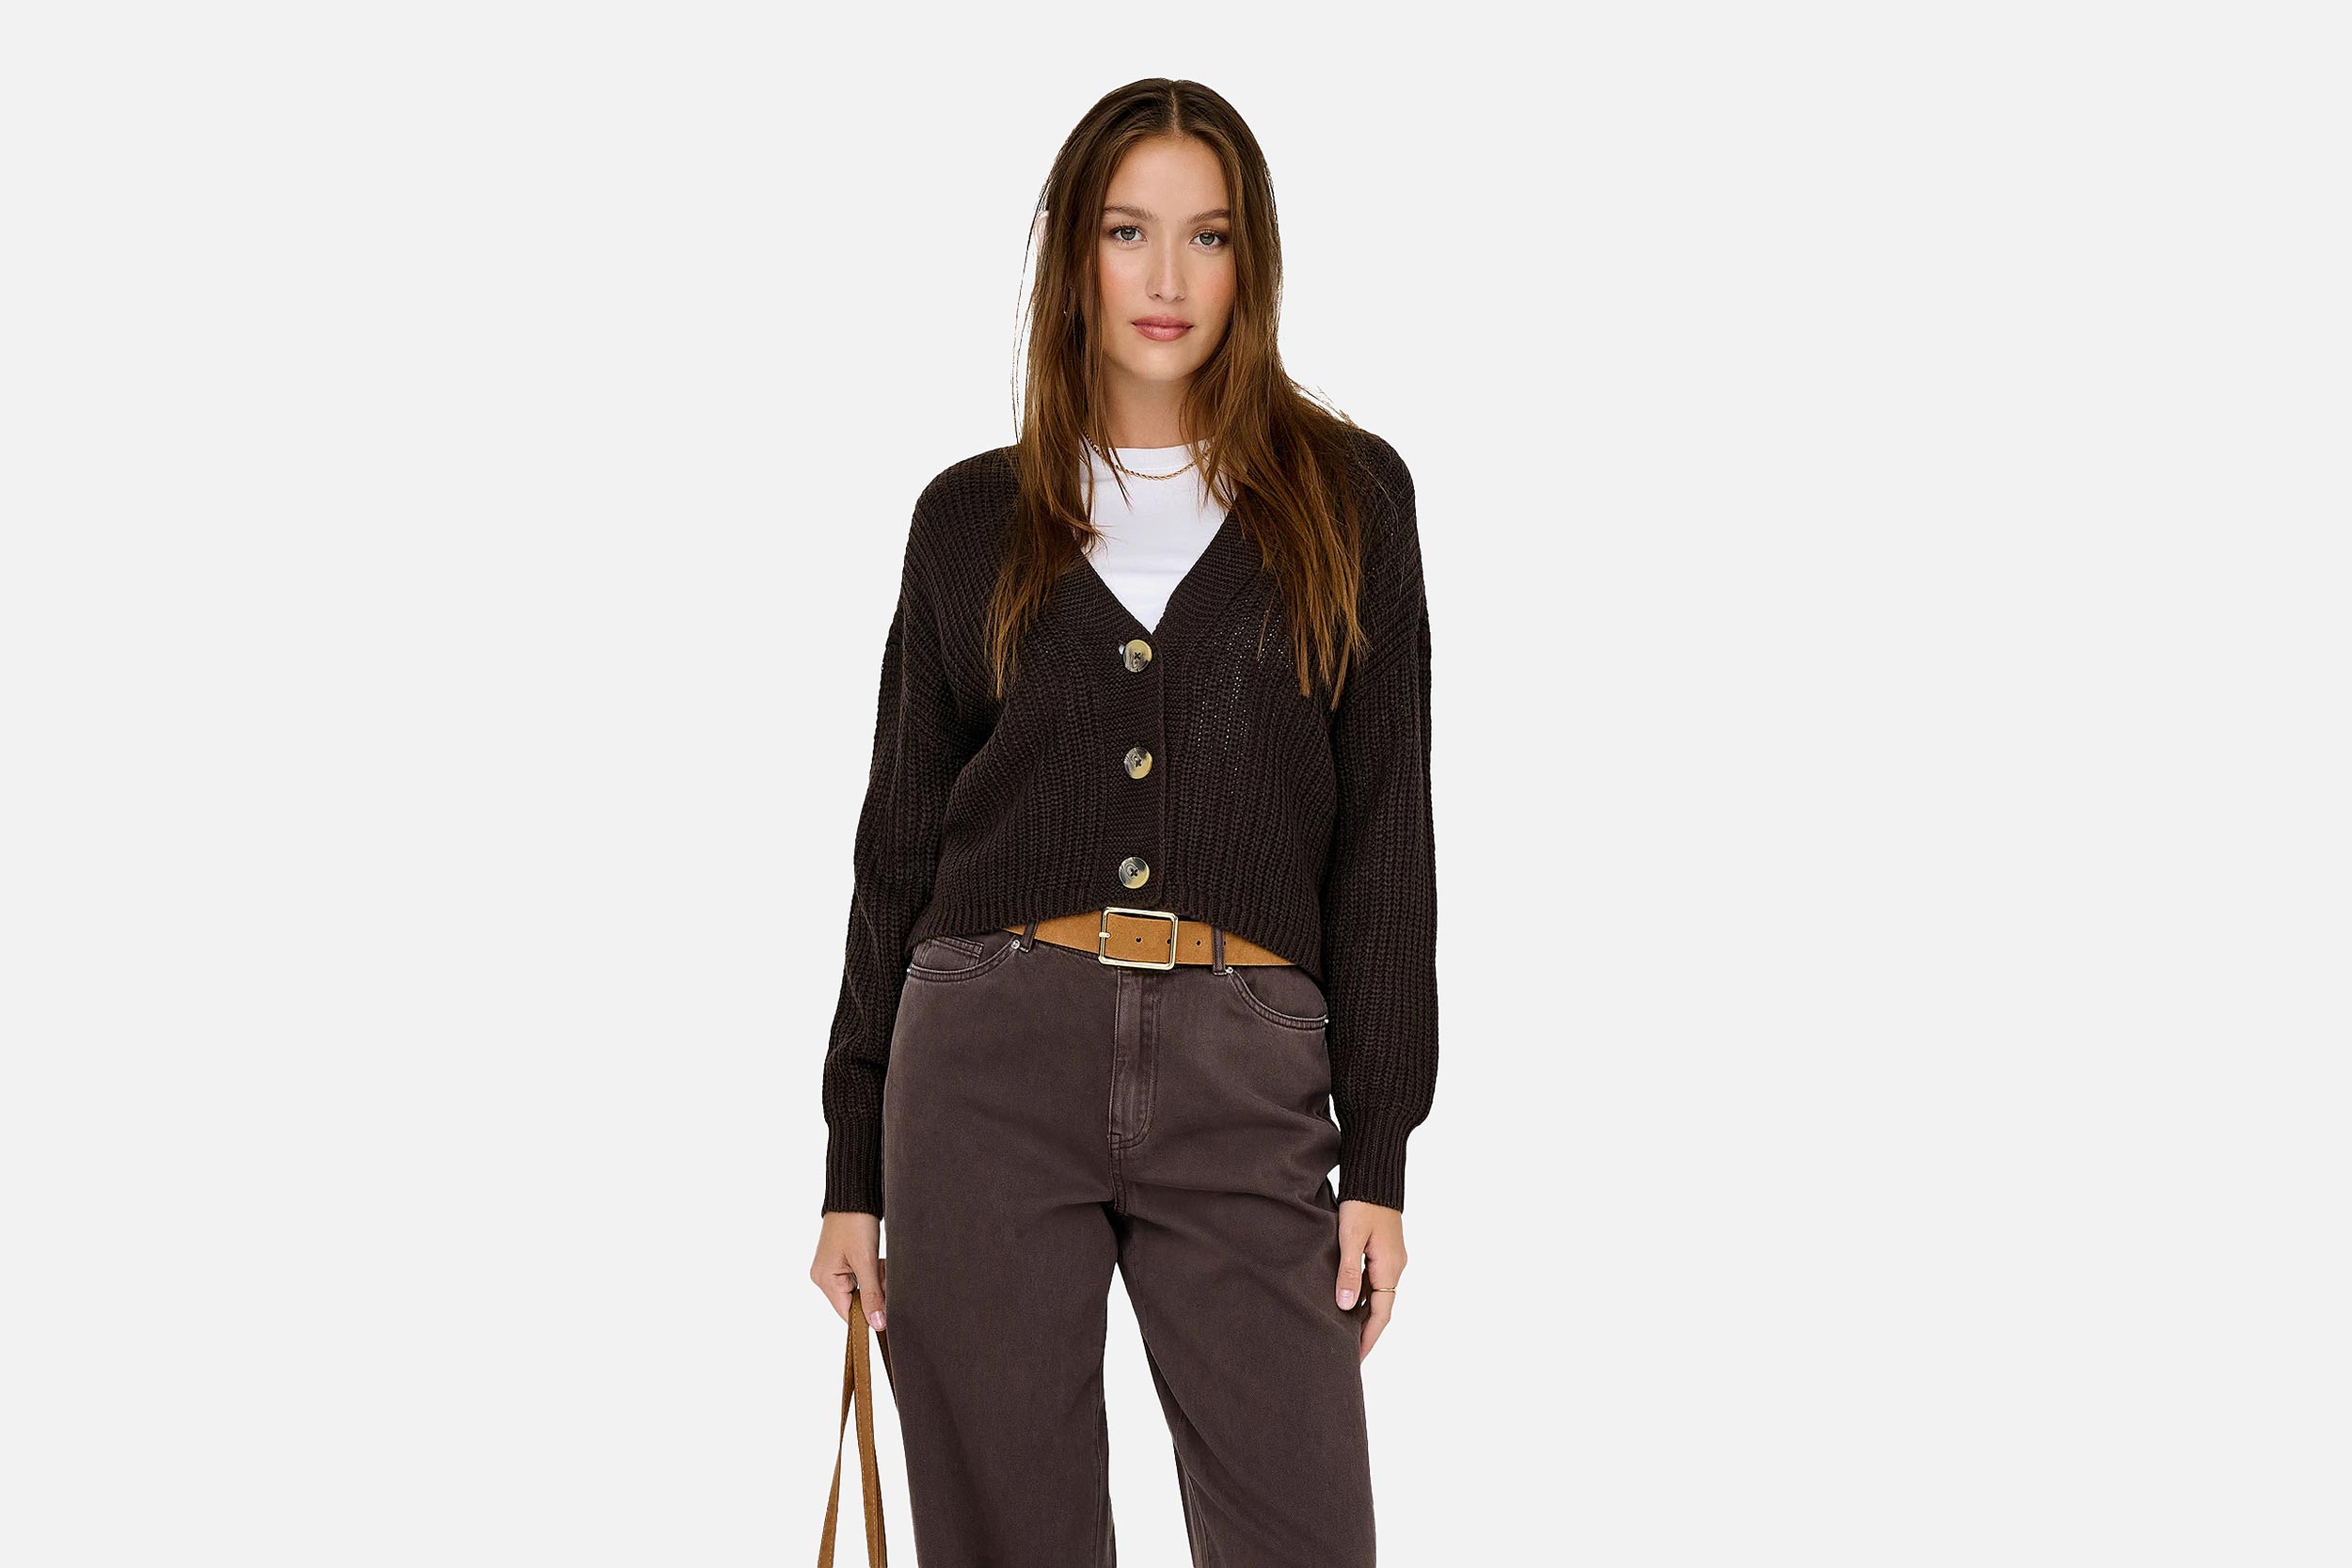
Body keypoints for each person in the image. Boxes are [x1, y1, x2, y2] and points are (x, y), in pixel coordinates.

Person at [806, 77, 1438, 1567]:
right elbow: (898, 853)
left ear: (1250, 259)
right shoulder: (968, 518)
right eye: (1127, 231)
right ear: (1072, 255)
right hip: (985, 1057)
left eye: (1207, 236)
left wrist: (1379, 1157)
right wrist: (852, 1170)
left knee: (1302, 1532)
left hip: (1248, 1064)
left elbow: (1386, 842)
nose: (1167, 278)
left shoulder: (1349, 499)